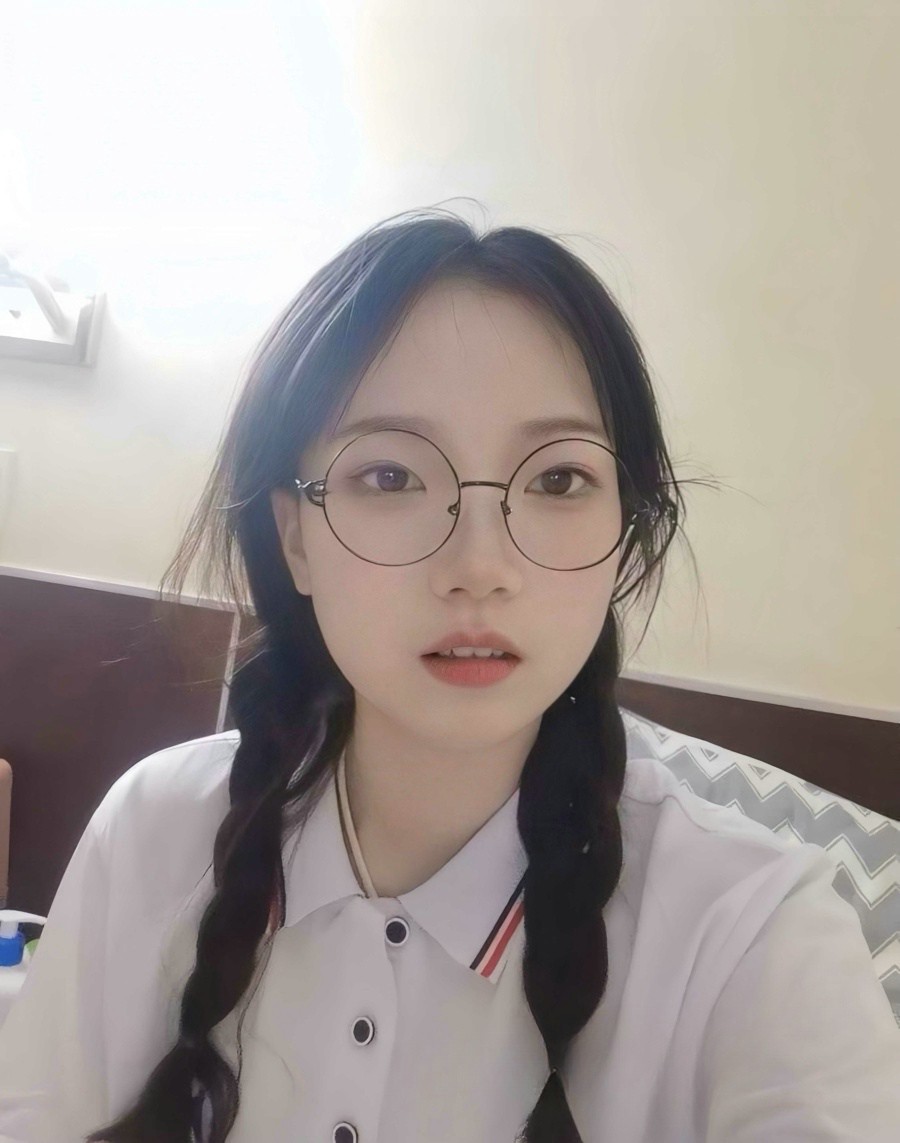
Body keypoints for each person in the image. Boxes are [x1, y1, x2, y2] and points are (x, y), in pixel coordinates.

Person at [0, 206, 898, 1143]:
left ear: (625, 533)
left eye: (556, 480)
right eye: (390, 477)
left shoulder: (758, 939)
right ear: (295, 536)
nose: (479, 565)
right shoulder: (155, 831)